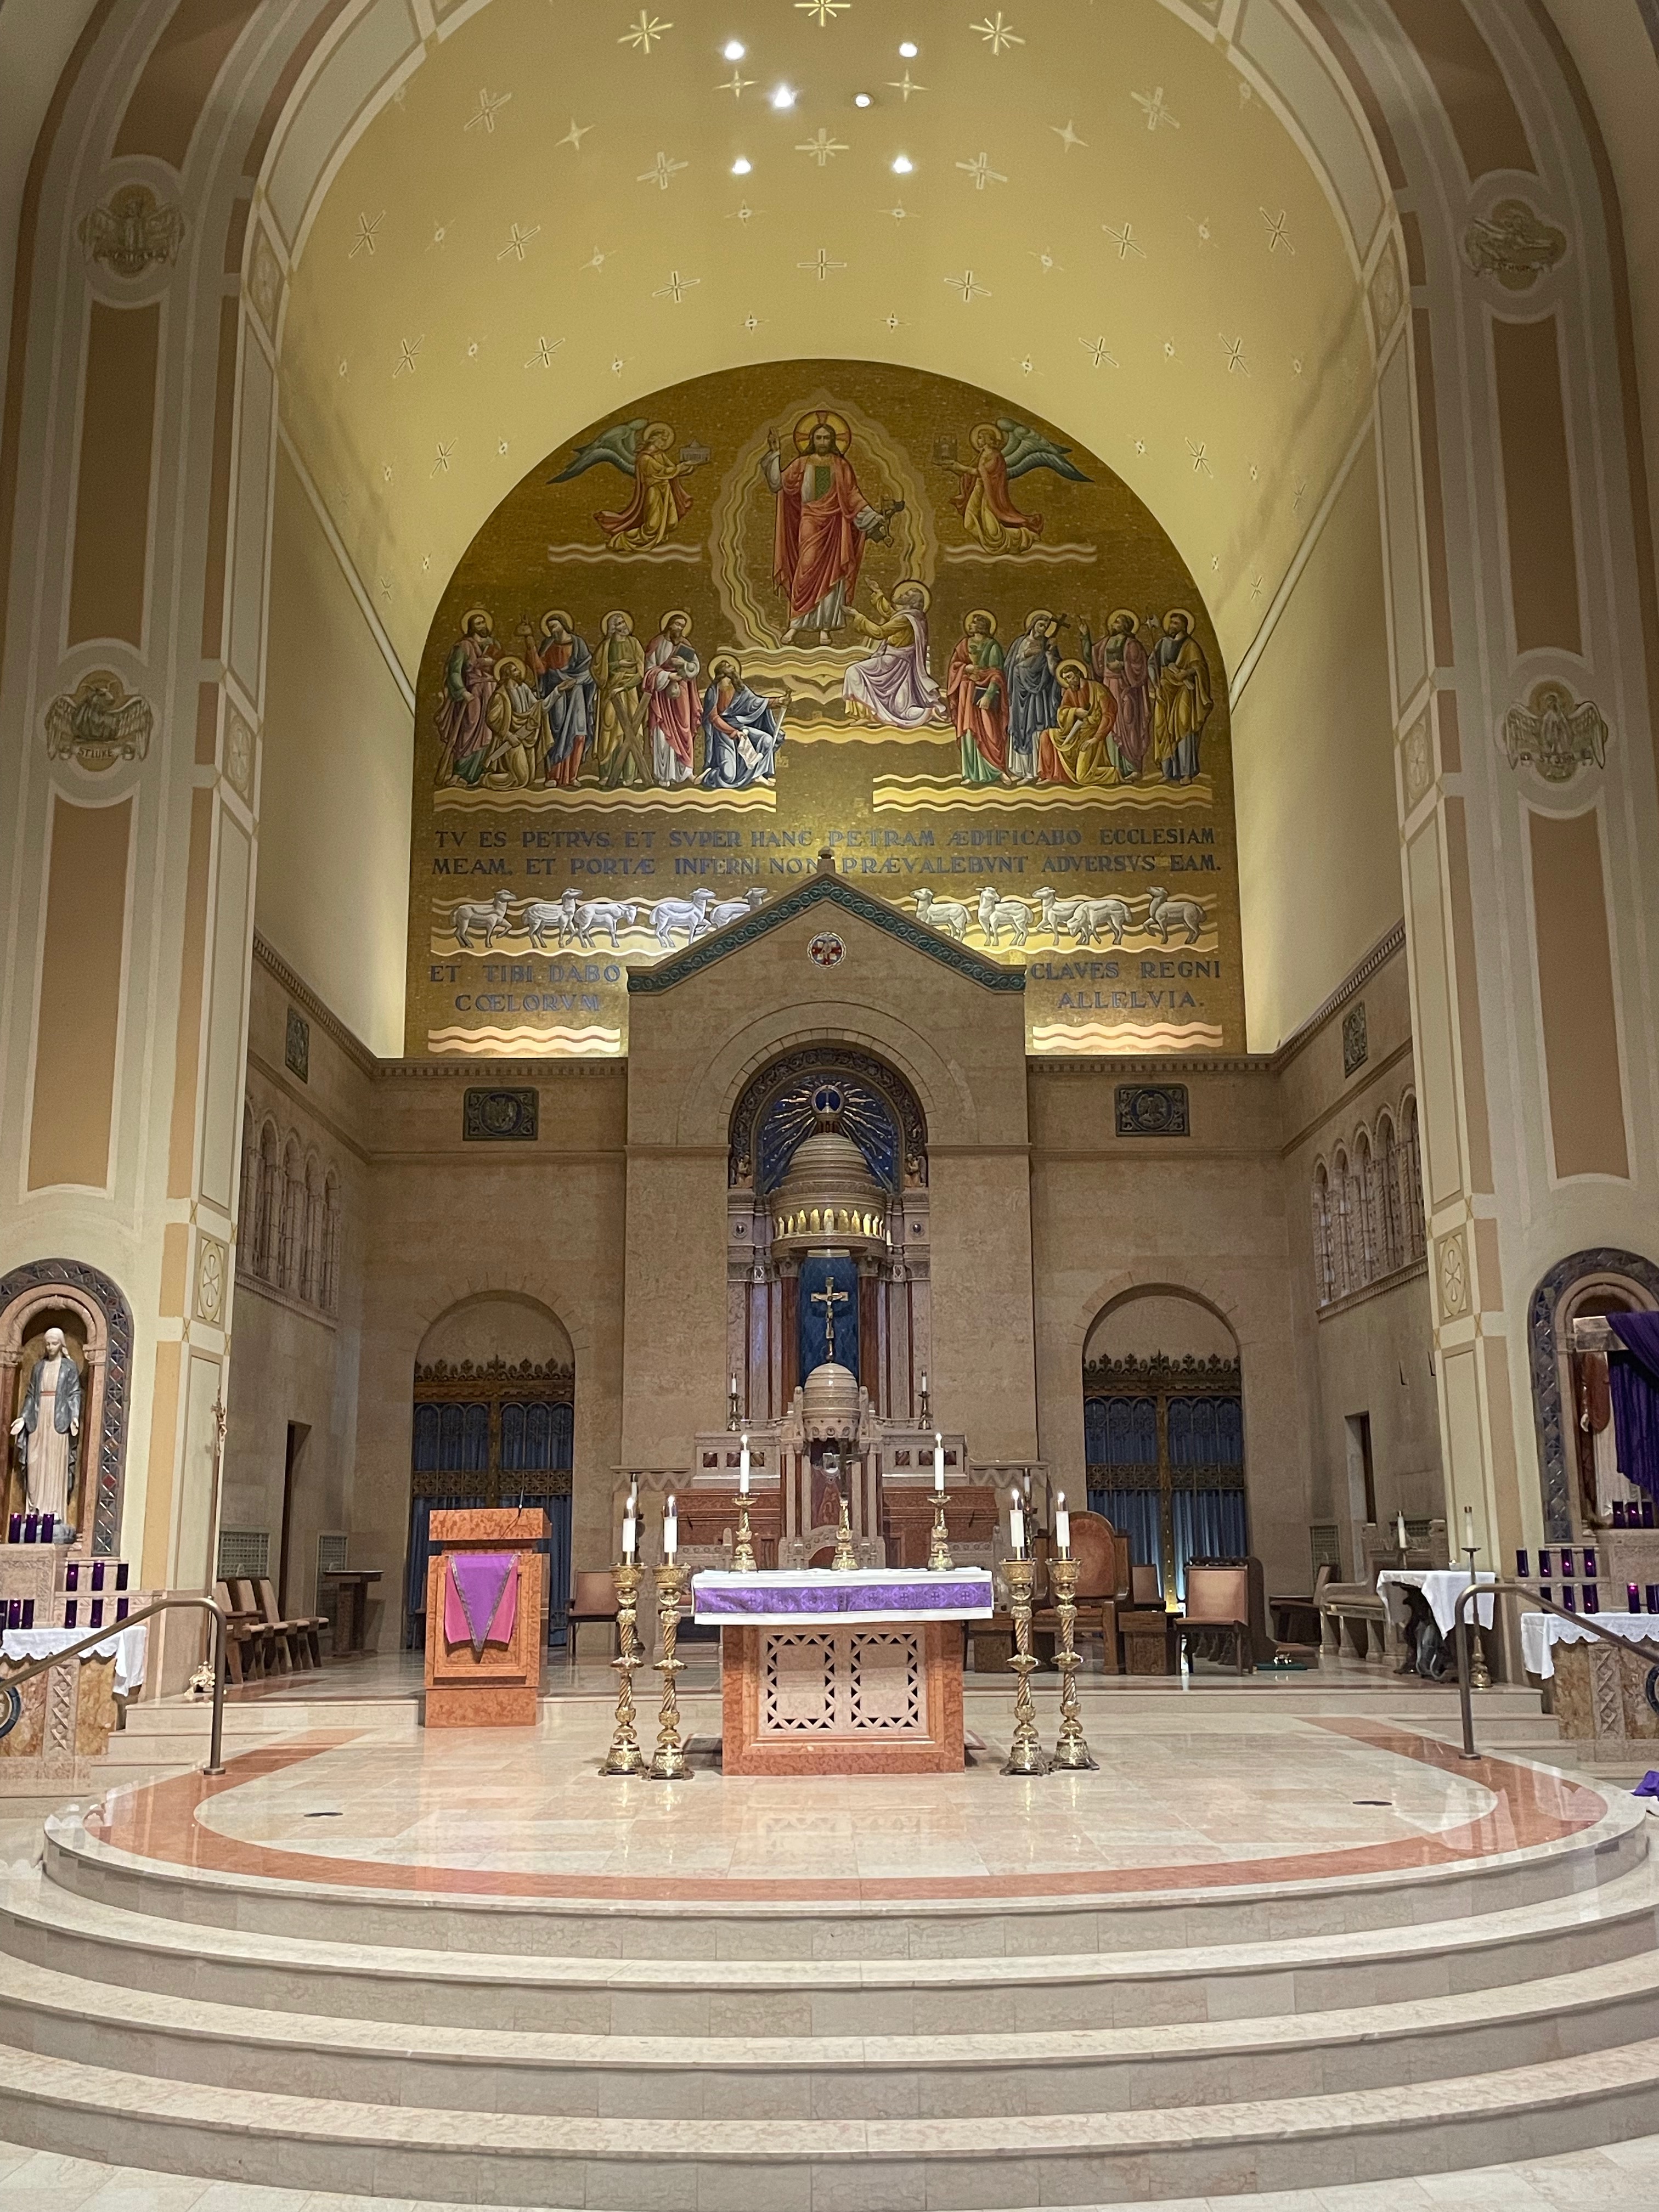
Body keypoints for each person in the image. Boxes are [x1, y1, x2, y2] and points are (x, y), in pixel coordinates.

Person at [762, 412, 895, 637]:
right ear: (812, 440)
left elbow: (852, 496)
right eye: (819, 438)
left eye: (826, 438)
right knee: (805, 568)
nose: (822, 442)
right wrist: (775, 452)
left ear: (833, 441)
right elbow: (778, 484)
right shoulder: (801, 463)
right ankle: (796, 624)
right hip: (810, 522)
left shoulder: (841, 466)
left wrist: (874, 517)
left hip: (835, 524)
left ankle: (825, 627)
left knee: (834, 574)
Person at [842, 581, 946, 729]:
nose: (902, 595)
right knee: (897, 702)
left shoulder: (906, 619)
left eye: (907, 595)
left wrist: (857, 616)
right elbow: (891, 615)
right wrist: (878, 592)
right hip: (897, 661)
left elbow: (880, 632)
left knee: (854, 672)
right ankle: (869, 715)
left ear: (912, 602)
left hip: (894, 662)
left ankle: (870, 714)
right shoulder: (912, 616)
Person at [10, 1326, 81, 1529]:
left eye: (54, 1344)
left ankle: (53, 1512)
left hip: (59, 1419)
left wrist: (74, 1416)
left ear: (61, 1345)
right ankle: (34, 1512)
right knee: (34, 1462)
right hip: (38, 1418)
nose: (50, 1347)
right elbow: (31, 1395)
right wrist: (23, 1418)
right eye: (48, 1344)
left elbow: (75, 1393)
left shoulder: (69, 1367)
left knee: (54, 1463)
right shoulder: (39, 1367)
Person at [593, 422, 696, 551]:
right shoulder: (644, 459)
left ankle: (658, 540)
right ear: (653, 438)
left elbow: (673, 470)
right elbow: (663, 471)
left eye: (666, 440)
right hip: (654, 490)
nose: (664, 443)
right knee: (652, 526)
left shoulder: (659, 454)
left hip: (666, 490)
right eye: (662, 439)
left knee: (672, 523)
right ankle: (622, 540)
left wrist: (688, 467)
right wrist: (680, 468)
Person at [519, 611, 594, 787]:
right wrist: (531, 646)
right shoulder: (548, 644)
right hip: (556, 692)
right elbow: (540, 669)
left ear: (563, 624)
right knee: (556, 732)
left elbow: (588, 670)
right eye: (549, 627)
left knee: (579, 733)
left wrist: (574, 680)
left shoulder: (578, 643)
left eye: (554, 625)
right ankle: (553, 776)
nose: (552, 629)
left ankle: (572, 776)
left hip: (576, 692)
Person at [952, 422, 1043, 552]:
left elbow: (982, 472)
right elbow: (971, 473)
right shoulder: (982, 454)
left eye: (981, 437)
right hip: (978, 490)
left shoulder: (996, 457)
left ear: (989, 439)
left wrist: (960, 467)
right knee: (969, 524)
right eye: (978, 437)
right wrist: (953, 468)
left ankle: (1025, 536)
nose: (978, 440)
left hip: (990, 494)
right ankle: (991, 543)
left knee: (994, 532)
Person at [945, 611, 1009, 785]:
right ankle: (970, 773)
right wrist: (965, 668)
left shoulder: (992, 646)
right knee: (969, 732)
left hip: (984, 693)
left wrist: (989, 695)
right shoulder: (963, 645)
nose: (970, 625)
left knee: (991, 732)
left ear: (982, 626)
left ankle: (998, 769)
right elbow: (954, 666)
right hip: (966, 694)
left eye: (974, 623)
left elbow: (997, 674)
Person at [701, 657, 786, 788]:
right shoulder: (713, 692)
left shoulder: (740, 689)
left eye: (729, 678)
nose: (727, 682)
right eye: (724, 679)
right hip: (723, 733)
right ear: (719, 678)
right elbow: (714, 718)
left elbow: (755, 703)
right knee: (728, 776)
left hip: (740, 726)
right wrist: (734, 733)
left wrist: (779, 701)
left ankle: (758, 774)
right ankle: (708, 775)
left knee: (767, 740)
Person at [433, 608, 496, 785]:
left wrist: (494, 663)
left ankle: (478, 771)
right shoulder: (464, 646)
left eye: (483, 622)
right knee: (469, 730)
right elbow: (454, 672)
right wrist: (463, 692)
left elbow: (503, 666)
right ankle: (460, 772)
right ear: (472, 627)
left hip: (492, 691)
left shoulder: (493, 644)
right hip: (473, 693)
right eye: (478, 624)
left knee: (489, 730)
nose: (482, 626)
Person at [1150, 611, 1213, 782]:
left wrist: (1186, 672)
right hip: (1165, 691)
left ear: (1184, 626)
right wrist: (1156, 686)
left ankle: (1186, 772)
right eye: (1171, 623)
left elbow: (1200, 667)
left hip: (1184, 690)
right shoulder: (1162, 643)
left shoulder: (1190, 645)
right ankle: (1167, 772)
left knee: (1184, 725)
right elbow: (1152, 664)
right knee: (1163, 726)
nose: (1172, 626)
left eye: (1176, 623)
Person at [1090, 609, 1152, 778]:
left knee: (1128, 724)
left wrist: (1123, 666)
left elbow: (1140, 669)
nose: (1113, 624)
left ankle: (1133, 767)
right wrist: (1085, 637)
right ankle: (1115, 767)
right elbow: (1092, 656)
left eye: (1117, 622)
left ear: (1125, 626)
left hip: (1126, 689)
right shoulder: (1106, 642)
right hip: (1108, 686)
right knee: (1110, 723)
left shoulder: (1132, 645)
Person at [1005, 610, 1064, 782]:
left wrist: (1050, 655)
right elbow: (1008, 665)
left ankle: (1034, 771)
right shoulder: (1020, 642)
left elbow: (1056, 672)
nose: (1043, 628)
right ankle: (1021, 770)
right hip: (1019, 692)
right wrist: (1026, 654)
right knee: (1019, 728)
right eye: (1040, 625)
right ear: (1033, 624)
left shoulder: (1048, 644)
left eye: (1046, 626)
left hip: (1039, 694)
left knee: (1035, 727)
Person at [644, 611, 700, 786]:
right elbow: (649, 670)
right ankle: (664, 775)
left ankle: (686, 771)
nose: (679, 628)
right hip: (662, 695)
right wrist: (668, 676)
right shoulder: (657, 643)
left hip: (681, 694)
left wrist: (684, 665)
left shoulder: (685, 645)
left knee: (685, 729)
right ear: (669, 625)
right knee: (663, 733)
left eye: (682, 626)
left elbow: (695, 667)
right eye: (677, 624)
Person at [595, 611, 650, 789]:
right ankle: (607, 773)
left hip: (629, 691)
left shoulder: (634, 643)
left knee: (633, 729)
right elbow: (597, 669)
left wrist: (625, 686)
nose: (624, 626)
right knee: (609, 729)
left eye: (624, 622)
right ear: (613, 627)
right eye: (619, 623)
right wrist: (618, 665)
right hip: (610, 691)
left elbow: (642, 671)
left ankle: (629, 774)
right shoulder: (606, 646)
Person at [1042, 660, 1119, 785]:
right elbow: (1062, 712)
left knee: (1083, 777)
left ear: (1078, 674)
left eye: (1070, 677)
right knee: (1046, 735)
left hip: (1091, 735)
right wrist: (1075, 712)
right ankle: (1051, 776)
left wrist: (1095, 739)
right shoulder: (1069, 692)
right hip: (1074, 733)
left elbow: (1109, 714)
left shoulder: (1097, 689)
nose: (1068, 681)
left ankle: (1113, 774)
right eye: (1066, 679)